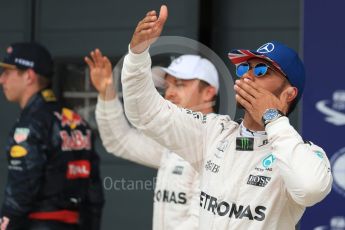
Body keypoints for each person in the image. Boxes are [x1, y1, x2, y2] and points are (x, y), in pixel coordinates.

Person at [120, 5, 333, 229]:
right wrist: (137, 54)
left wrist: (273, 117)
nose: (248, 76)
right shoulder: (212, 133)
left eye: (262, 71)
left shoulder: (302, 152)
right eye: (245, 69)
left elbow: (311, 189)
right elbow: (144, 112)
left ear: (289, 94)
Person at [84, 46, 219, 230]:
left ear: (208, 92)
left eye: (180, 84)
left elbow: (202, 222)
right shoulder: (173, 140)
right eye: (167, 86)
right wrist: (107, 91)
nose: (169, 93)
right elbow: (120, 140)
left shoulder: (217, 144)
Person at [0, 42, 104, 230]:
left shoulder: (32, 124)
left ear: (29, 76)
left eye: (8, 72)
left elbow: (22, 190)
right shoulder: (77, 121)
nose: (2, 80)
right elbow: (93, 192)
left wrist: (6, 223)